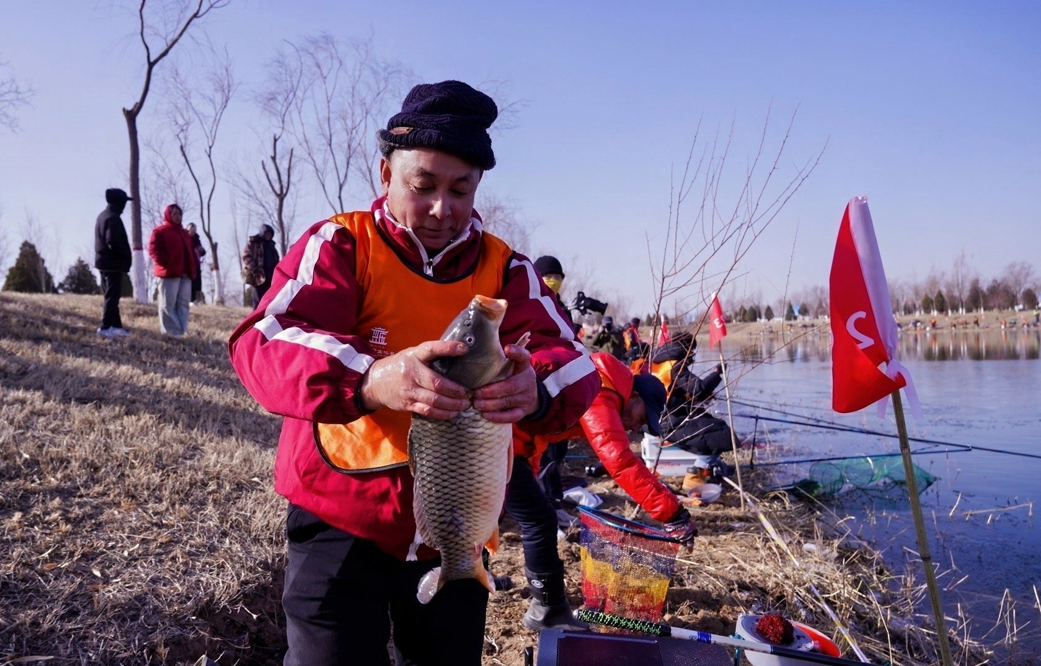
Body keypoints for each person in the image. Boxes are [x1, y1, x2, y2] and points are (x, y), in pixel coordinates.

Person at [228, 80, 599, 666]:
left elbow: (574, 362)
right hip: (339, 518)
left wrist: (536, 387)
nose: (441, 209)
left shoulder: (507, 269)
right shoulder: (342, 243)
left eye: (460, 189)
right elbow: (263, 341)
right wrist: (373, 378)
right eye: (422, 186)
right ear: (386, 173)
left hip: (460, 528)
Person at [511, 352, 698, 630]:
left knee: (497, 519)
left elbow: (536, 433)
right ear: (634, 396)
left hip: (509, 443)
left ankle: (481, 580)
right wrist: (673, 514)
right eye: (642, 418)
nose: (636, 427)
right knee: (539, 522)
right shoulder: (601, 388)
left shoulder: (603, 382)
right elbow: (619, 460)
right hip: (494, 440)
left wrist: (530, 470)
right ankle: (546, 611)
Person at [654, 333, 738, 464]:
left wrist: (690, 396)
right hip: (670, 421)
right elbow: (699, 389)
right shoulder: (675, 366)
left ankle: (710, 467)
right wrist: (717, 372)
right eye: (692, 350)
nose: (692, 354)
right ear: (687, 349)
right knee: (721, 433)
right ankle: (698, 470)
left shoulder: (659, 361)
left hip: (656, 416)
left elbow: (671, 389)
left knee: (710, 424)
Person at [148, 204, 197, 337]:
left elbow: (191, 252)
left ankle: (181, 331)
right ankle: (171, 333)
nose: (177, 217)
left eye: (179, 214)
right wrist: (166, 263)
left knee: (183, 304)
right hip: (169, 274)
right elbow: (153, 250)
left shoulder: (184, 234)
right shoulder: (160, 231)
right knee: (167, 304)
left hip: (185, 274)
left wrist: (193, 268)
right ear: (168, 215)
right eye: (174, 214)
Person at [94, 188, 133, 338]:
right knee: (112, 297)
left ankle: (116, 326)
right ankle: (105, 327)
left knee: (111, 296)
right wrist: (123, 256)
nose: (125, 206)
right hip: (112, 264)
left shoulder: (103, 215)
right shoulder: (113, 218)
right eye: (124, 202)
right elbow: (113, 241)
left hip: (104, 262)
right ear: (119, 203)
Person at [242, 224, 279, 310]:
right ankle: (256, 318)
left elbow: (277, 260)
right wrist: (254, 269)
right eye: (266, 233)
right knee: (258, 301)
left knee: (269, 301)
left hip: (271, 278)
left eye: (270, 234)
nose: (268, 236)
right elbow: (246, 256)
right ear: (262, 233)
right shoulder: (253, 242)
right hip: (258, 276)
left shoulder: (272, 246)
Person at [185, 222, 206, 304]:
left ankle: (194, 300)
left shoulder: (197, 239)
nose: (192, 232)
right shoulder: (184, 238)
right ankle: (188, 300)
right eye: (191, 230)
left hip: (196, 264)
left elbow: (203, 252)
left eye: (194, 230)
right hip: (187, 264)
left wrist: (201, 250)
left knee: (196, 283)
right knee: (188, 282)